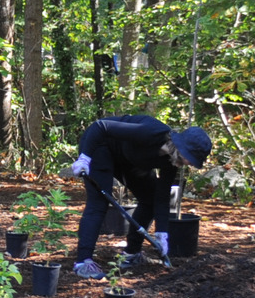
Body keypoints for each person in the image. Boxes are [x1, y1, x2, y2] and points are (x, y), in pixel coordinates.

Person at [67, 115, 213, 277]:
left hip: (127, 159)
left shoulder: (171, 160)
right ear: (182, 148)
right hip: (100, 145)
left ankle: (131, 254)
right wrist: (85, 158)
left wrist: (162, 232)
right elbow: (100, 127)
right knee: (99, 203)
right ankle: (83, 262)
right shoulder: (151, 133)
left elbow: (162, 195)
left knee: (149, 199)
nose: (191, 163)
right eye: (191, 159)